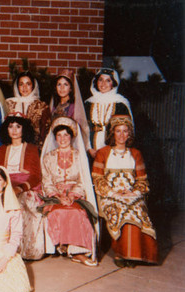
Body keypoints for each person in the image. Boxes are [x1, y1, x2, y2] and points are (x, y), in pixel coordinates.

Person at [92, 115, 158, 267]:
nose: (121, 135)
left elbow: (142, 180)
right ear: (112, 133)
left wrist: (133, 193)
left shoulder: (136, 153)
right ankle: (121, 254)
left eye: (125, 131)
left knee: (136, 209)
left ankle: (137, 254)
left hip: (131, 194)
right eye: (118, 131)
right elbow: (98, 178)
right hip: (109, 195)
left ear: (129, 133)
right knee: (121, 210)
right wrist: (113, 193)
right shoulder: (103, 153)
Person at [40, 116, 98, 266]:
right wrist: (58, 196)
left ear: (71, 137)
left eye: (66, 134)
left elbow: (82, 180)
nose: (63, 138)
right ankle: (62, 245)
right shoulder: (48, 157)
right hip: (55, 195)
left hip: (75, 195)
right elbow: (46, 180)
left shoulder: (79, 156)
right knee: (56, 211)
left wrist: (72, 195)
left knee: (77, 212)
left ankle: (77, 251)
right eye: (59, 135)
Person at [0, 115, 45, 260]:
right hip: (5, 186)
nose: (14, 130)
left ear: (24, 129)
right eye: (11, 127)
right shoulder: (2, 149)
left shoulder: (32, 149)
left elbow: (35, 176)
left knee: (21, 201)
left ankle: (24, 250)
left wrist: (21, 188)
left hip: (27, 187)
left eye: (18, 126)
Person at [85, 68, 133, 158]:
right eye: (101, 80)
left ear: (113, 84)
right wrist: (89, 148)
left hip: (113, 150)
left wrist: (114, 150)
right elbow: (83, 128)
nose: (103, 84)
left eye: (108, 81)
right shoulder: (88, 103)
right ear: (96, 82)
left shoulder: (120, 104)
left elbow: (127, 130)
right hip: (92, 150)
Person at [5, 71, 51, 149]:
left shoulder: (41, 106)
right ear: (17, 87)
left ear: (33, 86)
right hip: (13, 146)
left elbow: (45, 130)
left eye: (28, 84)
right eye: (21, 84)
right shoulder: (9, 104)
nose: (24, 87)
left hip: (34, 147)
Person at [50, 69, 91, 151]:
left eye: (65, 84)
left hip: (71, 145)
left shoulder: (74, 107)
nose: (62, 88)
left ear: (71, 88)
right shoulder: (54, 106)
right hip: (54, 143)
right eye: (59, 84)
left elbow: (81, 130)